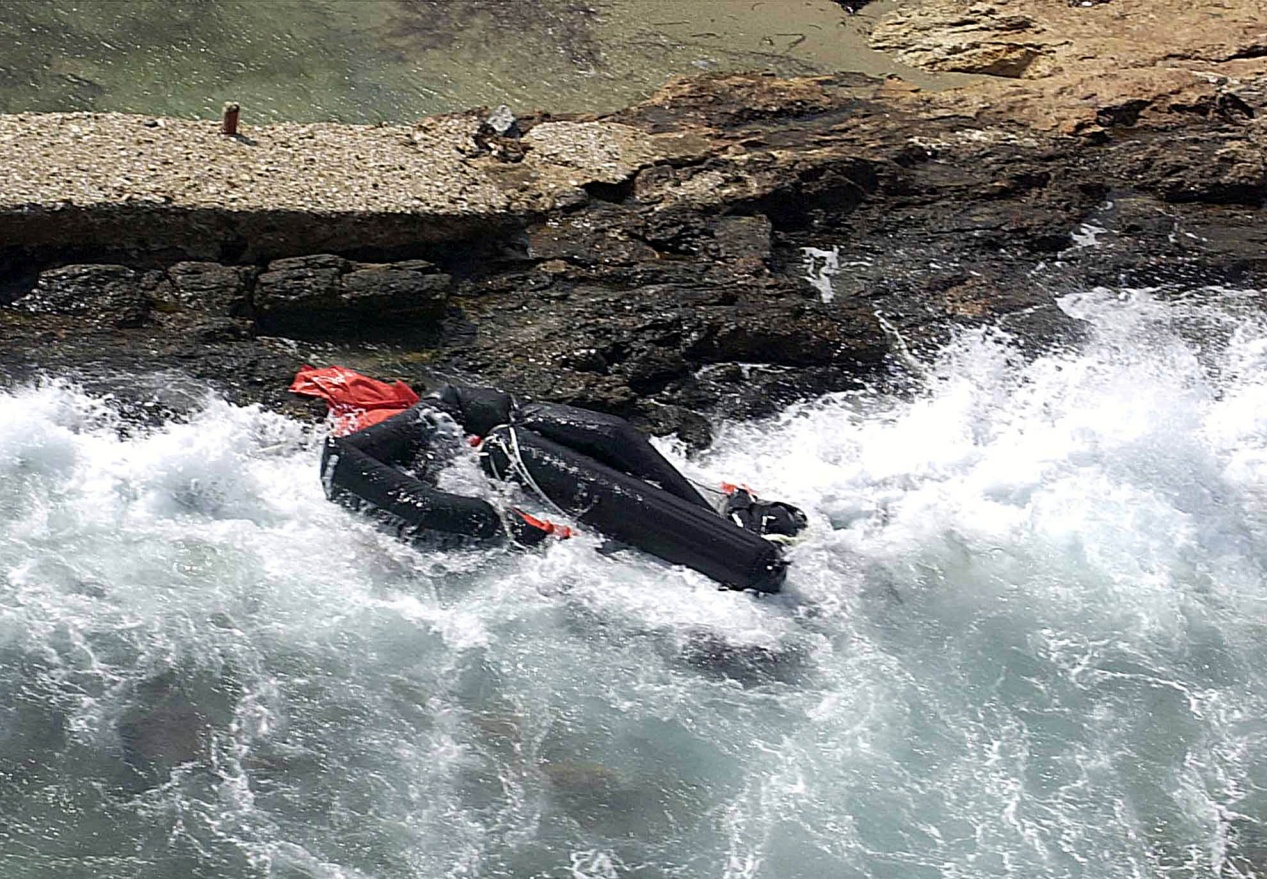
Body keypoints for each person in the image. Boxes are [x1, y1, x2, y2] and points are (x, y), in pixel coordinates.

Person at [320, 383, 807, 593]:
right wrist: (515, 528)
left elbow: (612, 437)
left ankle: (715, 519)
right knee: (508, 444)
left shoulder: (448, 435)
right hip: (486, 529)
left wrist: (518, 529)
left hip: (519, 529)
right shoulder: (376, 447)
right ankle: (718, 522)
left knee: (512, 443)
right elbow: (343, 467)